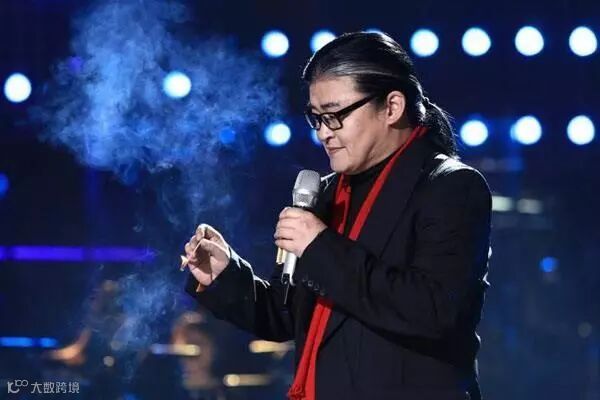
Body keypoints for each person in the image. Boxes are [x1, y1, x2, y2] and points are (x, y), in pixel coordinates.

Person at [183, 31, 492, 400]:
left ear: (392, 107)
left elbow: (434, 312)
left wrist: (319, 246)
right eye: (316, 118)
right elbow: (287, 316)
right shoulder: (325, 193)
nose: (323, 133)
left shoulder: (451, 186)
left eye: (336, 116)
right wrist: (225, 275)